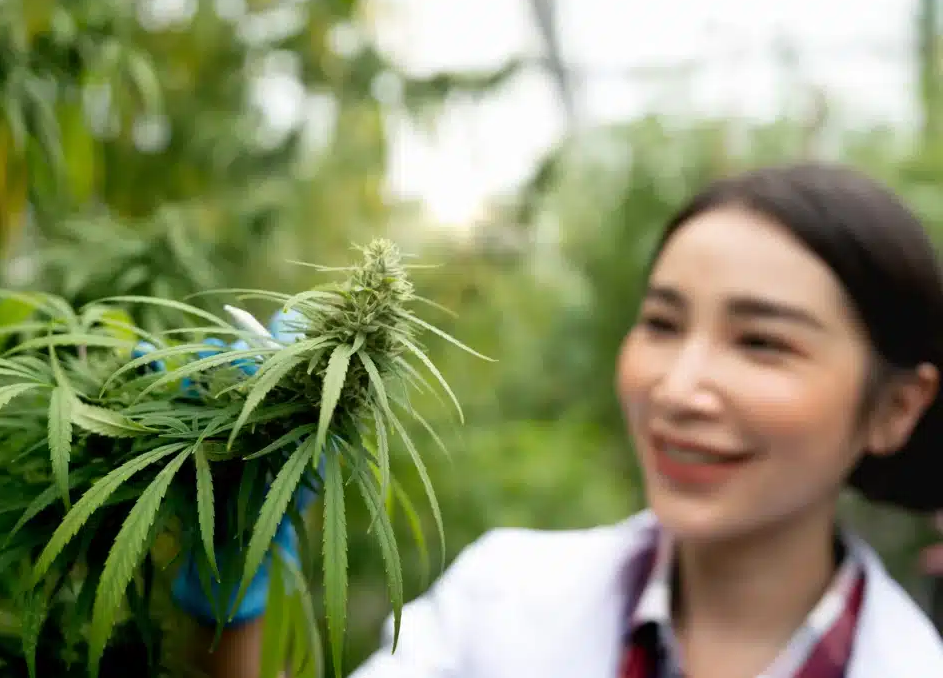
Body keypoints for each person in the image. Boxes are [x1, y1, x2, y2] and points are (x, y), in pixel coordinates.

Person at [184, 164, 943, 677]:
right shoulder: (503, 600)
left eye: (762, 342)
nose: (678, 388)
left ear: (895, 408)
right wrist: (222, 617)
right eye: (662, 322)